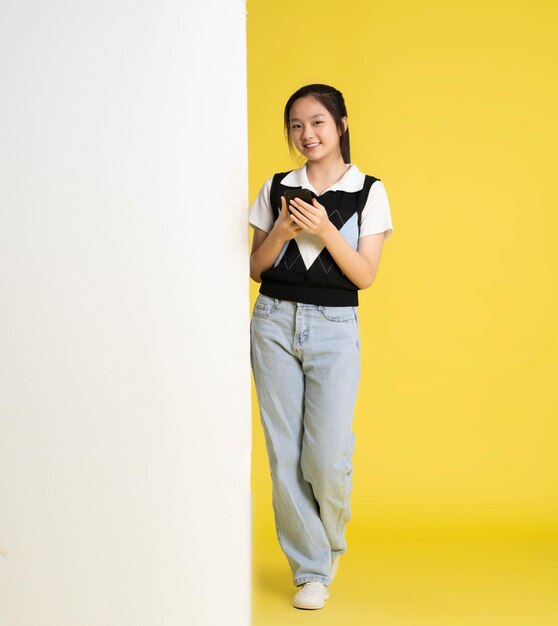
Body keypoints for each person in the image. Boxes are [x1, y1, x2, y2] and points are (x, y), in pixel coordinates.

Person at [248, 83, 394, 610]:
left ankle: (329, 538)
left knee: (326, 458)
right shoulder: (275, 188)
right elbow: (254, 267)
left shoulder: (369, 190)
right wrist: (283, 231)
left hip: (334, 327)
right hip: (272, 322)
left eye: (317, 123)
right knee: (284, 454)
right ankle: (311, 568)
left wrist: (327, 229)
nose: (306, 134)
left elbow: (364, 274)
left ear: (341, 125)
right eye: (295, 126)